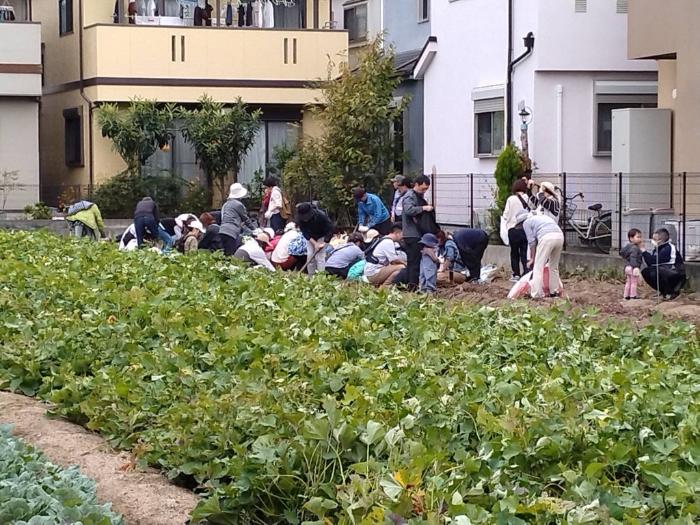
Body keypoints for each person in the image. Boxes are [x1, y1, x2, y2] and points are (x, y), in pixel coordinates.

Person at [516, 210, 564, 298]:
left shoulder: (526, 222)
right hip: (560, 236)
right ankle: (554, 292)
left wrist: (532, 259)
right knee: (553, 266)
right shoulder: (540, 216)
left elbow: (532, 242)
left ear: (521, 222)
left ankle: (537, 294)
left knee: (538, 267)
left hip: (547, 237)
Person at [402, 175, 436, 291]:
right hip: (412, 234)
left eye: (426, 189)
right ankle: (413, 288)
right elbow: (408, 210)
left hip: (416, 233)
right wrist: (424, 208)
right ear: (416, 184)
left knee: (413, 262)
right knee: (414, 263)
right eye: (423, 188)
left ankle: (412, 287)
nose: (424, 191)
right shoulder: (409, 196)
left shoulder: (417, 196)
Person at [641, 228, 686, 300]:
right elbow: (650, 263)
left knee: (657, 271)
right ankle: (663, 291)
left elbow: (653, 261)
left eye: (655, 239)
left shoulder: (668, 248)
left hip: (676, 274)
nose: (652, 241)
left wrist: (643, 250)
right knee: (647, 271)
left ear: (661, 240)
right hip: (666, 271)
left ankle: (672, 292)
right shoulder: (658, 248)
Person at [502, 179, 532, 281]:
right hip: (525, 229)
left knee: (514, 252)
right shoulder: (528, 198)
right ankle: (526, 272)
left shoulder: (511, 199)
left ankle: (516, 274)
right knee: (524, 251)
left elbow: (505, 214)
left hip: (513, 229)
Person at [296, 202, 334, 276]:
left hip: (322, 236)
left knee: (320, 256)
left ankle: (321, 277)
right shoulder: (299, 219)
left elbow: (330, 229)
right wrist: (315, 243)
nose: (305, 219)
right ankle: (311, 276)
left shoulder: (321, 216)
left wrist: (324, 243)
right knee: (310, 256)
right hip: (310, 237)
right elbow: (304, 232)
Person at [220, 183, 256, 256]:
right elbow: (246, 219)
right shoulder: (238, 205)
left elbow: (223, 217)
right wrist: (255, 229)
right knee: (231, 255)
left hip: (222, 230)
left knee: (226, 254)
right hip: (231, 232)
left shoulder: (226, 204)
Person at [620, 228, 643, 300]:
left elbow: (621, 253)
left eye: (640, 237)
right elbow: (633, 257)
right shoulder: (635, 248)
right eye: (638, 237)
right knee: (634, 282)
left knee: (628, 282)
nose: (640, 239)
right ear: (631, 238)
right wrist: (635, 267)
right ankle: (633, 295)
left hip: (627, 267)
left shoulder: (627, 247)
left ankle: (626, 295)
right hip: (633, 267)